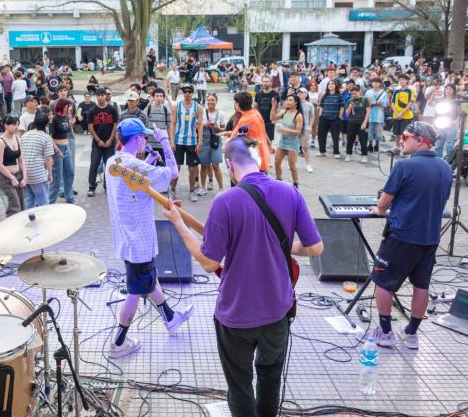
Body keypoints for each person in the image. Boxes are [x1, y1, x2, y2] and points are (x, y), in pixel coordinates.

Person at [162, 134, 323, 417]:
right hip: (278, 310)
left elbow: (210, 262)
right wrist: (285, 245)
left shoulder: (225, 201)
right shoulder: (290, 193)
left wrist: (178, 222)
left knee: (239, 385)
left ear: (228, 164)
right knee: (271, 378)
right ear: (259, 158)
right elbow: (315, 247)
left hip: (236, 314)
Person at [105, 118, 193, 358]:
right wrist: (164, 140)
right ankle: (119, 342)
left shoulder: (114, 161)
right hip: (139, 241)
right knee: (135, 290)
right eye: (144, 137)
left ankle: (170, 318)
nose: (146, 140)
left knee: (148, 280)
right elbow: (173, 172)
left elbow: (134, 183)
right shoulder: (138, 167)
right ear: (138, 139)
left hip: (126, 238)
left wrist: (148, 163)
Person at [368, 121, 452, 349]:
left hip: (403, 236)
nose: (401, 140)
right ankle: (412, 333)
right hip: (431, 237)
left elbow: (384, 203)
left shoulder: (405, 167)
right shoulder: (445, 166)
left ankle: (385, 333)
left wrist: (379, 210)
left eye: (405, 137)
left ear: (420, 140)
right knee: (421, 285)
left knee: (383, 283)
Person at [170, 83, 204, 202]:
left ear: (192, 93)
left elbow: (200, 126)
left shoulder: (198, 107)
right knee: (176, 167)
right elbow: (173, 124)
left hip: (192, 142)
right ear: (182, 93)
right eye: (185, 91)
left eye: (189, 91)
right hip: (178, 141)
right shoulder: (177, 106)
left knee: (192, 168)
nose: (187, 94)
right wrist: (171, 141)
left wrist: (200, 141)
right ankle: (172, 190)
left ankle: (192, 191)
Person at [225, 92, 272, 173]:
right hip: (261, 157)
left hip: (252, 163)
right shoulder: (255, 112)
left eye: (235, 102)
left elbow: (231, 142)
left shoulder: (246, 119)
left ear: (238, 104)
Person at [87, 89, 119, 197]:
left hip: (110, 143)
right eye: (98, 95)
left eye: (102, 95)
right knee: (94, 165)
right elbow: (90, 127)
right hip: (97, 144)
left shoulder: (112, 109)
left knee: (109, 166)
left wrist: (111, 139)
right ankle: (91, 187)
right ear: (96, 96)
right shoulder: (92, 111)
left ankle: (108, 187)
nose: (100, 97)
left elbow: (115, 125)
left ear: (106, 96)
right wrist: (98, 140)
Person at [20, 112, 55, 207]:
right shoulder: (46, 137)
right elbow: (48, 158)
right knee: (43, 201)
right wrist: (50, 174)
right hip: (38, 173)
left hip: (25, 173)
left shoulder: (24, 135)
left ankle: (29, 220)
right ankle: (43, 221)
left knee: (29, 200)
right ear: (46, 124)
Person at [0, 115, 26, 217]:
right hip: (5, 178)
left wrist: (24, 177)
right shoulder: (0, 142)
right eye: (13, 124)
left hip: (18, 176)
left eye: (17, 124)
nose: (16, 127)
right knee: (14, 208)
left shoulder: (17, 139)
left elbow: (21, 160)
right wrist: (12, 177)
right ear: (5, 125)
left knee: (22, 207)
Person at [271, 94, 303, 187]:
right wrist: (273, 107)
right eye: (287, 100)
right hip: (283, 141)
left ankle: (295, 184)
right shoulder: (284, 111)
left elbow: (298, 131)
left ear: (296, 103)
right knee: (277, 162)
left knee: (292, 166)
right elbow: (272, 118)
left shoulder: (298, 115)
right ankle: (278, 181)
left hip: (292, 142)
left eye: (290, 100)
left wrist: (285, 130)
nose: (287, 102)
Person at [48, 98, 75, 204]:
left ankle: (70, 198)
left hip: (66, 147)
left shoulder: (67, 117)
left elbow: (68, 131)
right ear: (63, 106)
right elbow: (49, 136)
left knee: (70, 172)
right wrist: (56, 149)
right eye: (68, 106)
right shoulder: (54, 118)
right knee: (57, 176)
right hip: (57, 148)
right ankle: (50, 201)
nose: (70, 108)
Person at [198, 93, 226, 191]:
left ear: (216, 101)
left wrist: (217, 128)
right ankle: (202, 187)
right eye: (209, 100)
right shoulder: (201, 113)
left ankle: (221, 188)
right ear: (206, 101)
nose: (210, 102)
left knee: (215, 165)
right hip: (204, 140)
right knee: (204, 165)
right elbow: (196, 127)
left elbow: (224, 129)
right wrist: (204, 125)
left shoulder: (221, 114)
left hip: (216, 141)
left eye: (213, 100)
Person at [316, 79, 344, 158]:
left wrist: (340, 116)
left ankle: (336, 152)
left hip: (335, 118)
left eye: (332, 84)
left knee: (335, 136)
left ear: (335, 86)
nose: (330, 85)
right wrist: (320, 115)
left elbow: (342, 107)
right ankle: (322, 151)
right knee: (321, 135)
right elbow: (321, 106)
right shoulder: (325, 95)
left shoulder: (339, 96)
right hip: (324, 118)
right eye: (329, 84)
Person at [391, 74, 416, 153]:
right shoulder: (396, 90)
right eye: (400, 79)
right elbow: (392, 103)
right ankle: (397, 148)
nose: (401, 81)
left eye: (403, 79)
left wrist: (402, 113)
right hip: (396, 115)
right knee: (396, 133)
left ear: (407, 81)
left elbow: (410, 103)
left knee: (404, 134)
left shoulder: (410, 90)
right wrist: (396, 113)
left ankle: (404, 149)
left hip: (406, 116)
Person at [344, 85, 369, 163]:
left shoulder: (364, 100)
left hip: (362, 122)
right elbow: (347, 113)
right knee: (350, 139)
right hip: (351, 122)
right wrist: (350, 107)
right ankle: (348, 154)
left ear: (359, 92)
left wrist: (365, 123)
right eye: (352, 94)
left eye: (355, 93)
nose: (354, 95)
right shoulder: (350, 100)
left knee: (363, 139)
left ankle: (364, 155)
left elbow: (368, 112)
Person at [364, 77, 388, 152]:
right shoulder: (368, 92)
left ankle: (377, 144)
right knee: (370, 132)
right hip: (369, 115)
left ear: (380, 83)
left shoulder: (383, 93)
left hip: (379, 116)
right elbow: (366, 102)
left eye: (377, 82)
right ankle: (370, 144)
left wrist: (373, 102)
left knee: (378, 132)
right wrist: (377, 102)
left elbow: (384, 104)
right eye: (373, 82)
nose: (375, 83)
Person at [254, 75, 279, 144]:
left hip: (270, 121)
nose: (265, 83)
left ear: (270, 82)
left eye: (267, 81)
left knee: (269, 142)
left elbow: (277, 108)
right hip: (260, 121)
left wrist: (275, 119)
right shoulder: (258, 94)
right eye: (264, 81)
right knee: (259, 141)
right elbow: (255, 107)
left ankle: (267, 154)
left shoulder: (275, 94)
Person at [296, 88, 314, 173]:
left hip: (305, 128)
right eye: (298, 92)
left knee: (305, 147)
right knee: (294, 147)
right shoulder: (295, 104)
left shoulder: (309, 105)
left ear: (306, 94)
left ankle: (308, 164)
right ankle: (294, 164)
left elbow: (312, 116)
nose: (299, 94)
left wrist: (310, 126)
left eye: (301, 92)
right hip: (295, 128)